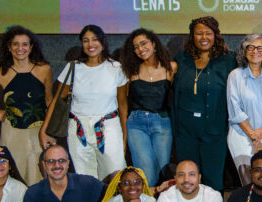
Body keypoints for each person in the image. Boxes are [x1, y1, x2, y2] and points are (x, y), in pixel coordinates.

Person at [40, 24, 128, 179]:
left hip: (108, 126)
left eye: (94, 39)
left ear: (103, 41)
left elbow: (122, 105)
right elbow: (57, 100)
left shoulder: (116, 68)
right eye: (86, 40)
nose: (90, 44)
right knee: (84, 177)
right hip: (78, 128)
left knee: (115, 176)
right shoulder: (73, 67)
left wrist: (124, 137)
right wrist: (44, 129)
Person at [0, 26, 52, 185]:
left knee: (40, 176)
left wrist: (48, 129)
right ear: (9, 47)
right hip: (12, 132)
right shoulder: (1, 72)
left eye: (25, 44)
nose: (20, 48)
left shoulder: (44, 69)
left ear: (31, 47)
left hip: (39, 131)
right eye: (16, 44)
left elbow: (49, 101)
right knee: (14, 175)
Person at [171, 16, 235, 192]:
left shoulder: (228, 59)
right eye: (199, 33)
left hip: (215, 130)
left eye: (208, 33)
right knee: (188, 180)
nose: (204, 37)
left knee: (213, 180)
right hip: (186, 131)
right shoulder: (182, 59)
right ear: (192, 36)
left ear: (216, 35)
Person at [119, 28, 177, 187]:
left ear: (154, 44)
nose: (140, 49)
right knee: (146, 172)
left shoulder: (171, 68)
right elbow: (122, 104)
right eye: (136, 47)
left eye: (143, 43)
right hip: (136, 125)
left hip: (162, 123)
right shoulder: (129, 71)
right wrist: (124, 134)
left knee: (163, 170)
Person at [227, 34, 262, 185]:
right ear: (244, 51)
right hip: (241, 136)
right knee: (249, 181)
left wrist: (261, 133)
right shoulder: (235, 76)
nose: (255, 51)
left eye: (260, 48)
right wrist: (253, 136)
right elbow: (235, 111)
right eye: (250, 47)